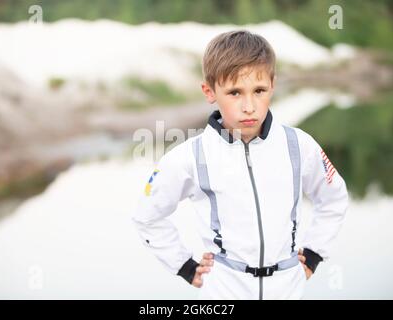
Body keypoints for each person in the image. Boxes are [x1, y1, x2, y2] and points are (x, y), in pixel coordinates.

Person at [132, 30, 349, 299]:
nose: (249, 106)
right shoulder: (190, 155)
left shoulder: (299, 145)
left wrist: (315, 253)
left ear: (273, 84)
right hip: (223, 291)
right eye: (234, 92)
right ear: (209, 91)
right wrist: (185, 266)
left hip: (287, 289)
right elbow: (147, 216)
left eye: (259, 91)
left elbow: (334, 198)